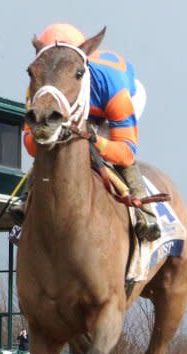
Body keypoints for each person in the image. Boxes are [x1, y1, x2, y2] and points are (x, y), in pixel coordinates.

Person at [14, 23, 159, 242]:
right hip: (76, 104)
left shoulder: (112, 84)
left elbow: (125, 152)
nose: (54, 77)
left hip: (113, 101)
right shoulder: (38, 86)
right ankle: (26, 201)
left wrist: (94, 139)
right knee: (52, 142)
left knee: (113, 153)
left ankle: (145, 213)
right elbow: (33, 147)